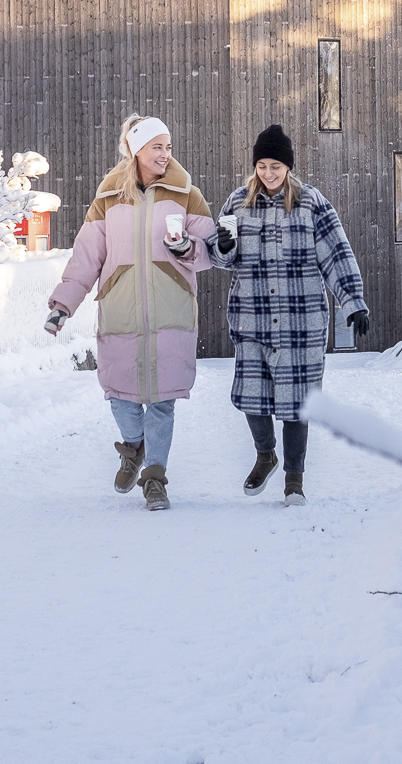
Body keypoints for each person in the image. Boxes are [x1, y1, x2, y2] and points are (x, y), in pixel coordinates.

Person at [46, 115, 214, 511]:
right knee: (119, 392)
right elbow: (87, 257)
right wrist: (62, 305)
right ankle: (133, 446)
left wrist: (186, 248)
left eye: (168, 146)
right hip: (121, 308)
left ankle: (155, 478)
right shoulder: (107, 197)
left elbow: (211, 253)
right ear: (137, 150)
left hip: (170, 307)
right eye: (157, 146)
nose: (165, 153)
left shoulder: (187, 193)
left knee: (162, 400)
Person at [212, 124, 368, 506]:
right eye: (262, 165)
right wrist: (224, 244)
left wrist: (353, 301)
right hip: (252, 318)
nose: (268, 173)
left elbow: (336, 252)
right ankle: (265, 455)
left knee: (297, 404)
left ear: (288, 167)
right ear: (254, 166)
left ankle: (294, 479)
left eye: (276, 166)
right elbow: (220, 257)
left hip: (301, 322)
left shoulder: (312, 203)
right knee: (253, 396)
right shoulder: (236, 203)